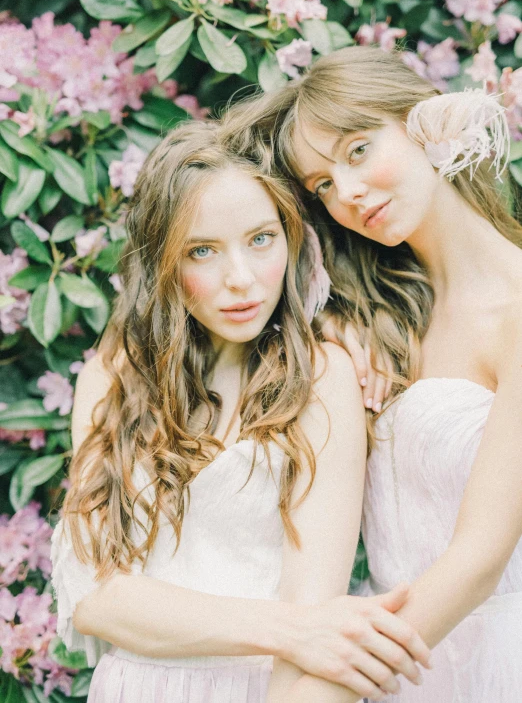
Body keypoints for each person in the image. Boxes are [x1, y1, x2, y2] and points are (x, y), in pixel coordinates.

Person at [50, 120, 431, 703]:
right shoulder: (114, 376)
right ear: (164, 265)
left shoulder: (320, 380)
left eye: (260, 239)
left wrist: (304, 633)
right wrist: (293, 631)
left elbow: (315, 607)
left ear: (290, 237)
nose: (242, 279)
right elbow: (98, 600)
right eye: (202, 251)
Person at [219, 45, 522, 702]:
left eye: (357, 150)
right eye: (322, 185)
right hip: (393, 658)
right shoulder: (368, 324)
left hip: (483, 660)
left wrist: (321, 695)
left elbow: (479, 558)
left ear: (421, 121)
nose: (348, 194)